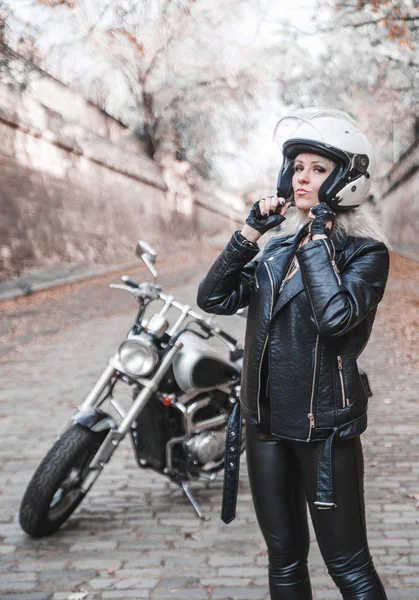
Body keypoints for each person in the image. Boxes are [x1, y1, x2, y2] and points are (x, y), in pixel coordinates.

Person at [197, 108, 390, 600]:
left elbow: (335, 318)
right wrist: (249, 234)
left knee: (348, 565)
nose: (302, 178)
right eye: (298, 167)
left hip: (322, 428)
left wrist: (320, 237)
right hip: (264, 425)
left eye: (318, 169)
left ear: (345, 182)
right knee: (284, 560)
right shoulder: (276, 249)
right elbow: (214, 298)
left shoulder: (365, 253)